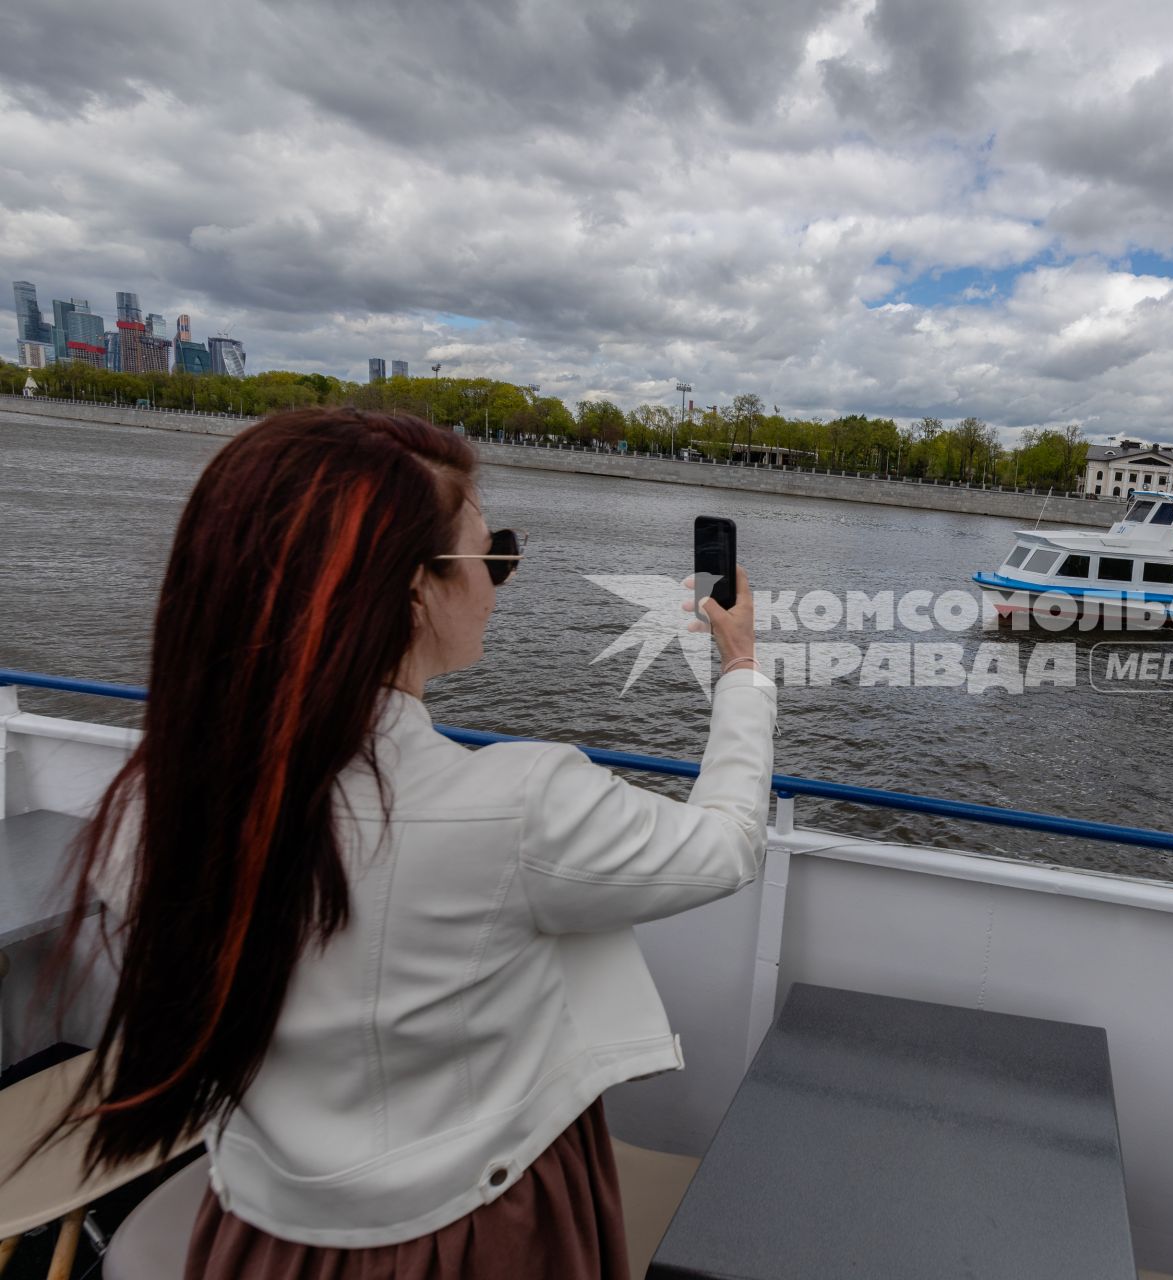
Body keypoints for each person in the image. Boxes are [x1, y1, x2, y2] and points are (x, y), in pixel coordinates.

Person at [48, 408, 776, 1278]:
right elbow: (727, 844)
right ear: (415, 589)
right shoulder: (518, 802)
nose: (501, 581)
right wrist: (741, 671)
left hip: (258, 1232)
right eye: (493, 553)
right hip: (480, 1233)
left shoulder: (161, 803)